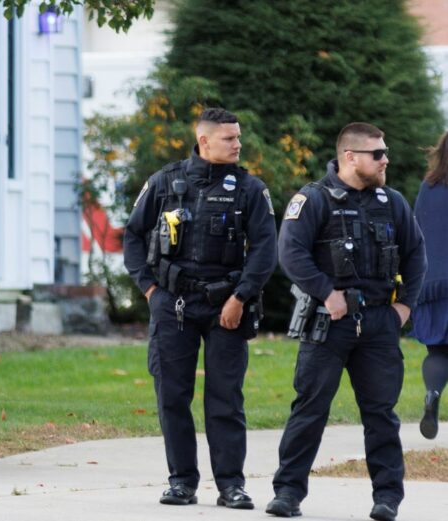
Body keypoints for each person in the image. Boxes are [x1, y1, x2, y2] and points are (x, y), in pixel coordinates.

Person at [268, 123, 427, 521]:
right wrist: (326, 291)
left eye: (385, 152)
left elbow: (416, 256)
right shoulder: (314, 200)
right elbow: (290, 253)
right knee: (309, 409)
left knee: (381, 415)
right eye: (378, 153)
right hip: (329, 324)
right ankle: (288, 493)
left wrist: (404, 308)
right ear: (350, 157)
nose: (386, 159)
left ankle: (387, 498)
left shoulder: (391, 202)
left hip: (379, 323)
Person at [123, 108, 277, 509]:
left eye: (238, 138)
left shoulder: (250, 189)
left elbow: (265, 251)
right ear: (204, 141)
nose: (238, 144)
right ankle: (182, 481)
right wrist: (150, 290)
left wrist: (240, 297)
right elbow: (133, 237)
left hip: (227, 306)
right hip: (172, 304)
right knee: (172, 395)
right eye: (229, 139)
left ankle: (231, 486)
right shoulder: (164, 182)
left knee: (225, 398)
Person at [411, 130, 448, 440]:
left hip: (432, 285)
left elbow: (415, 231)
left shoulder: (428, 186)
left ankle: (433, 393)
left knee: (437, 352)